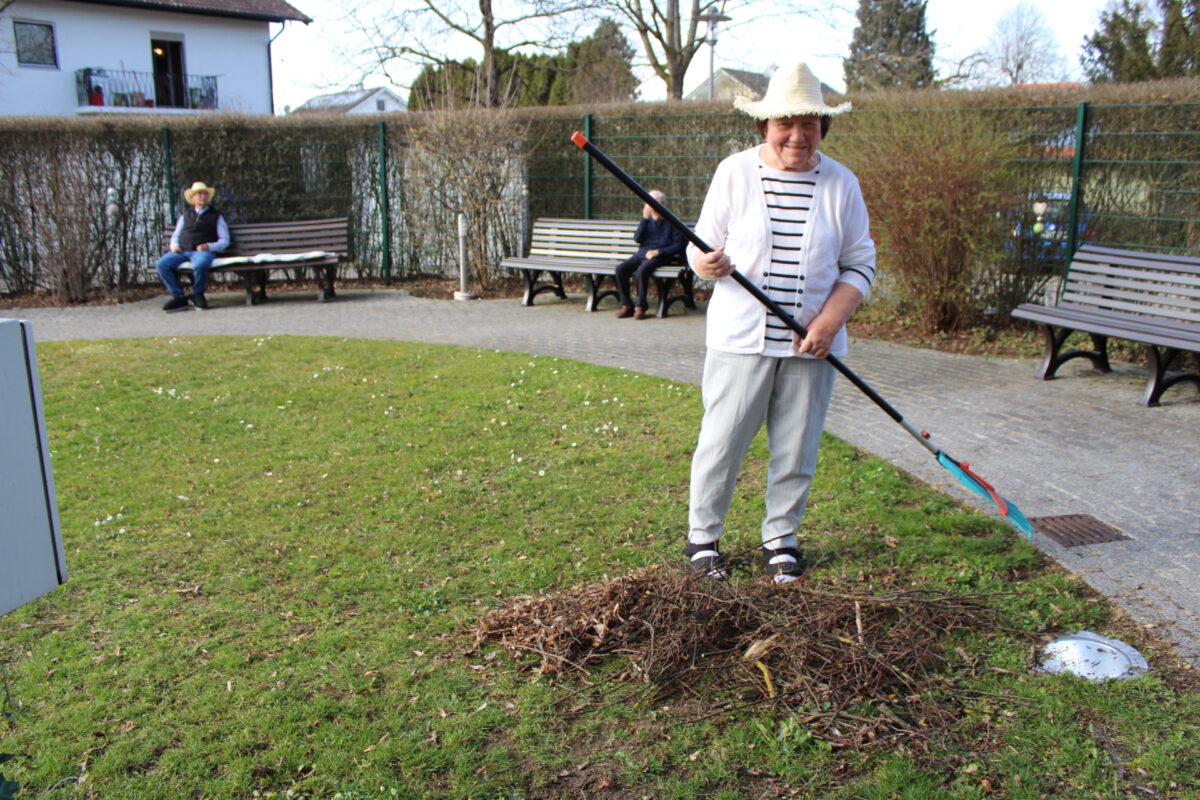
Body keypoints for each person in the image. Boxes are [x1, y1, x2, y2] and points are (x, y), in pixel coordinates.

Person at [684, 62, 876, 583]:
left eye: (808, 123)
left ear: (822, 127)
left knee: (796, 446)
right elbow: (698, 247)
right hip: (740, 342)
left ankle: (781, 539)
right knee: (722, 442)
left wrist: (830, 323)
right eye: (784, 123)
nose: (797, 135)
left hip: (811, 346)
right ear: (765, 126)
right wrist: (706, 263)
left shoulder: (841, 183)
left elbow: (860, 262)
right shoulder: (734, 172)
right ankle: (703, 538)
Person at [155, 181, 230, 312]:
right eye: (198, 194)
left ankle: (197, 294)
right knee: (162, 264)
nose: (202, 196)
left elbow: (224, 240)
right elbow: (176, 235)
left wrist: (209, 246)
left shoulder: (216, 216)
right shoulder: (185, 215)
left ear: (208, 197)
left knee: (201, 264)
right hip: (183, 251)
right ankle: (179, 297)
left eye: (204, 194)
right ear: (193, 198)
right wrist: (175, 245)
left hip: (202, 252)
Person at [613, 190, 688, 319]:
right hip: (642, 254)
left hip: (662, 256)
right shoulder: (647, 221)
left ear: (663, 204)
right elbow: (637, 238)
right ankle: (627, 305)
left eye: (652, 203)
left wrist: (658, 252)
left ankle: (641, 307)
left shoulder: (672, 222)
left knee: (642, 270)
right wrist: (644, 218)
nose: (649, 206)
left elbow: (678, 245)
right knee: (621, 269)